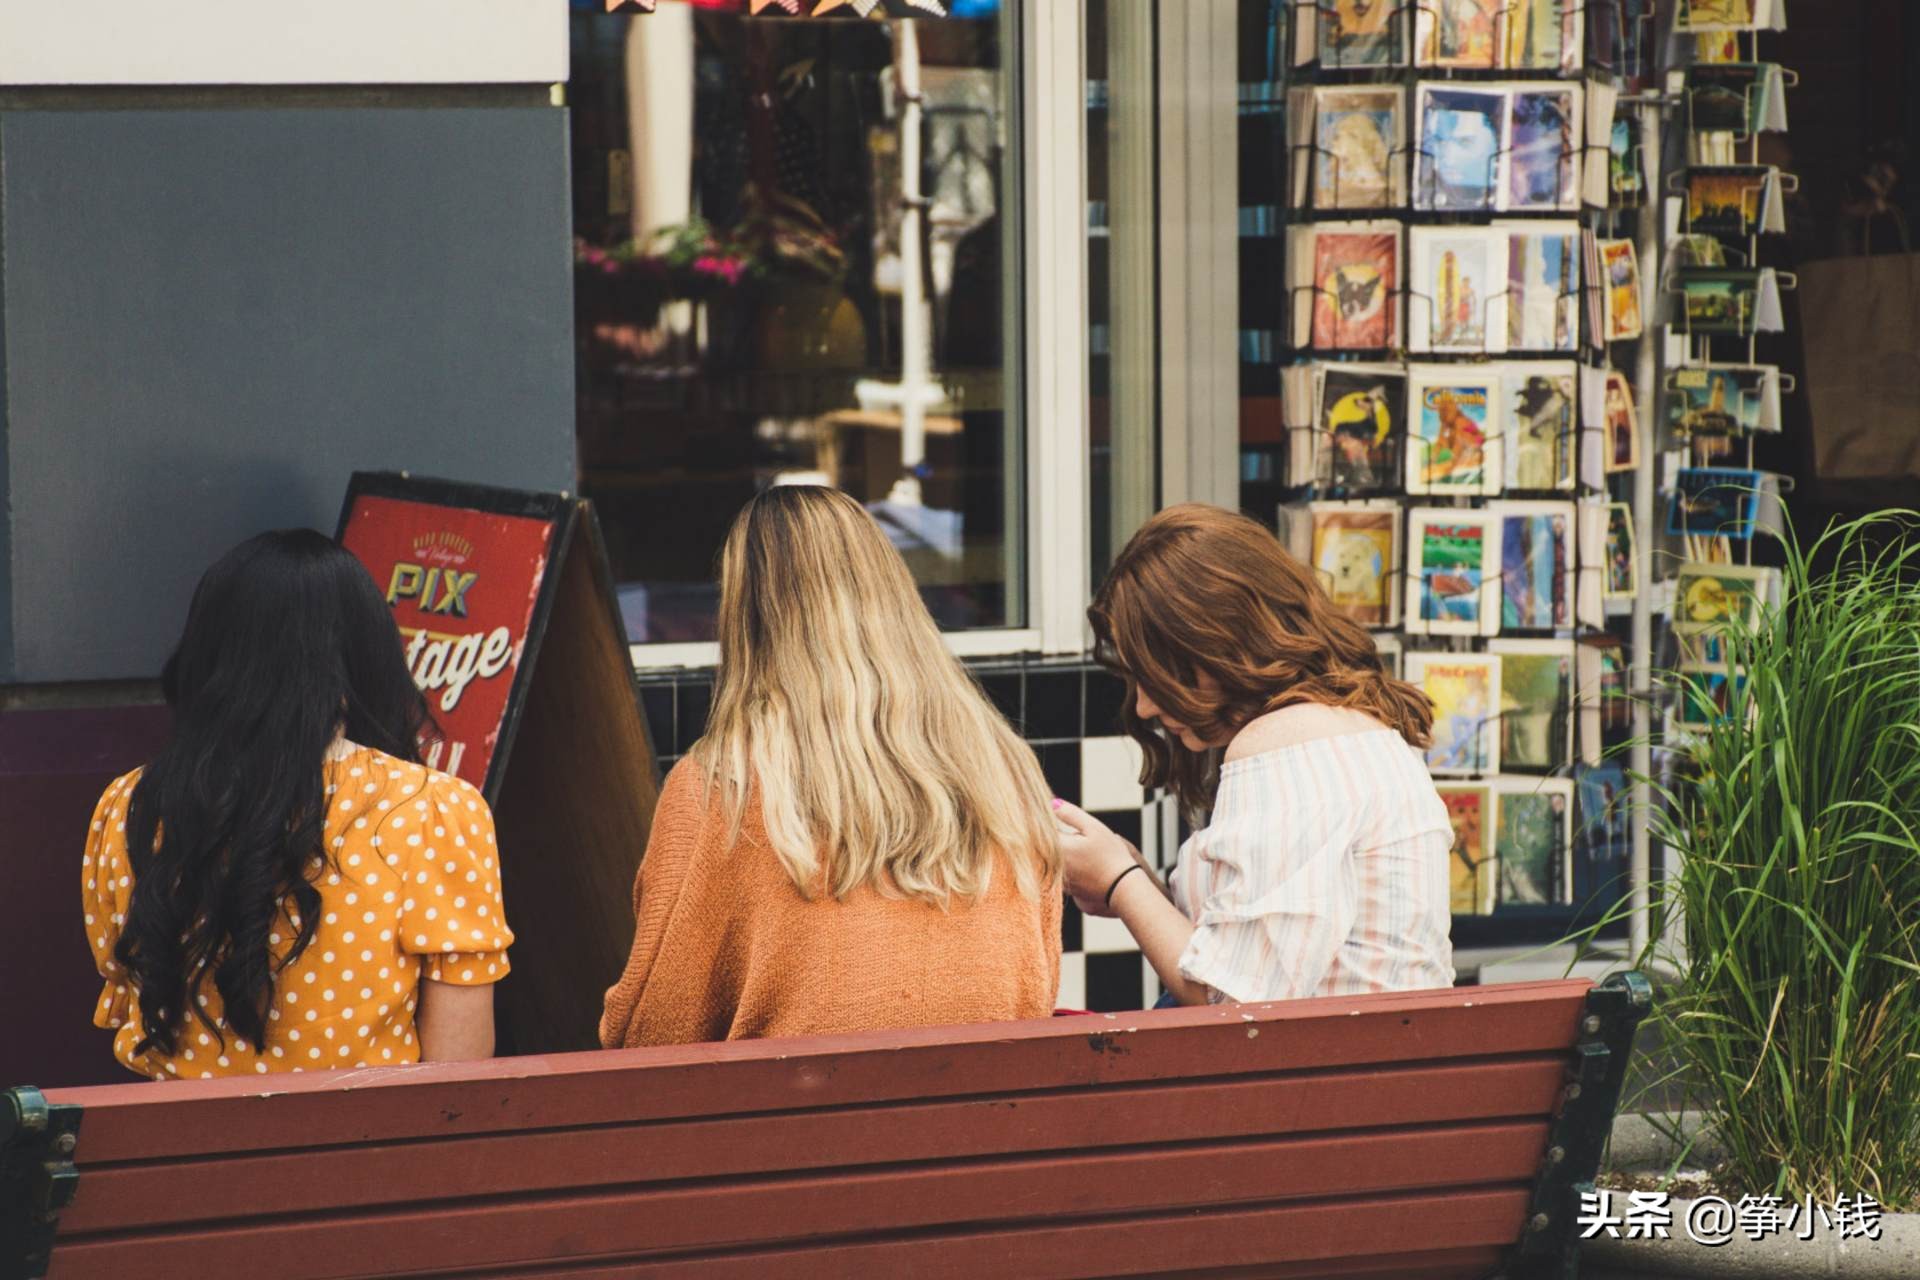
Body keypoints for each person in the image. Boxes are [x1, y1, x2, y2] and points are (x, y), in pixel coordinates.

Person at [600, 486, 1060, 1046]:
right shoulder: (1007, 772)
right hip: (993, 1100)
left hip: (792, 1104)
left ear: (744, 619)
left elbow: (654, 1035)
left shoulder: (720, 788)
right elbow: (1037, 989)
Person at [82, 530, 511, 1079]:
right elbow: (458, 1073)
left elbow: (125, 992)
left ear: (208, 656)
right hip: (370, 1136)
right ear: (364, 657)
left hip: (173, 1135)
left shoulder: (129, 806)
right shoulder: (433, 811)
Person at [1054, 504, 1454, 1006]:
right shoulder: (1351, 728)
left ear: (1219, 644)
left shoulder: (1286, 743)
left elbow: (1233, 1002)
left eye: (1157, 675)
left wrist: (1120, 882)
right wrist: (1140, 887)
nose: (1144, 706)